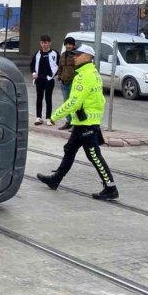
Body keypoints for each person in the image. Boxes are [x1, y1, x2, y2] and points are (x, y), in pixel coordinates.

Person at [36, 44, 118, 200]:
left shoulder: (84, 75)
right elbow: (99, 99)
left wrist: (54, 116)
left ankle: (110, 187)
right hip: (84, 121)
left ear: (88, 57)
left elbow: (74, 101)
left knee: (93, 155)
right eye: (74, 54)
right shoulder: (93, 72)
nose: (74, 56)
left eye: (78, 54)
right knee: (70, 149)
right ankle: (55, 179)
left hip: (86, 122)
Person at [30, 35, 59, 126]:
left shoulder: (55, 53)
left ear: (49, 43)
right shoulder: (37, 54)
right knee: (39, 98)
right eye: (42, 43)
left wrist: (54, 75)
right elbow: (32, 65)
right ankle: (38, 117)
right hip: (39, 80)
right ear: (40, 43)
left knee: (48, 99)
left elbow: (59, 65)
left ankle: (48, 118)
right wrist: (34, 73)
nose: (44, 45)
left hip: (49, 80)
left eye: (46, 43)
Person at [56, 36, 77, 130]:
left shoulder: (77, 55)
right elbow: (60, 67)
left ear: (73, 45)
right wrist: (59, 76)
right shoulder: (63, 55)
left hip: (74, 82)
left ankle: (75, 123)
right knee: (66, 104)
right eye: (66, 44)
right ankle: (68, 122)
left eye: (70, 44)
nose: (68, 46)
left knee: (74, 103)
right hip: (64, 83)